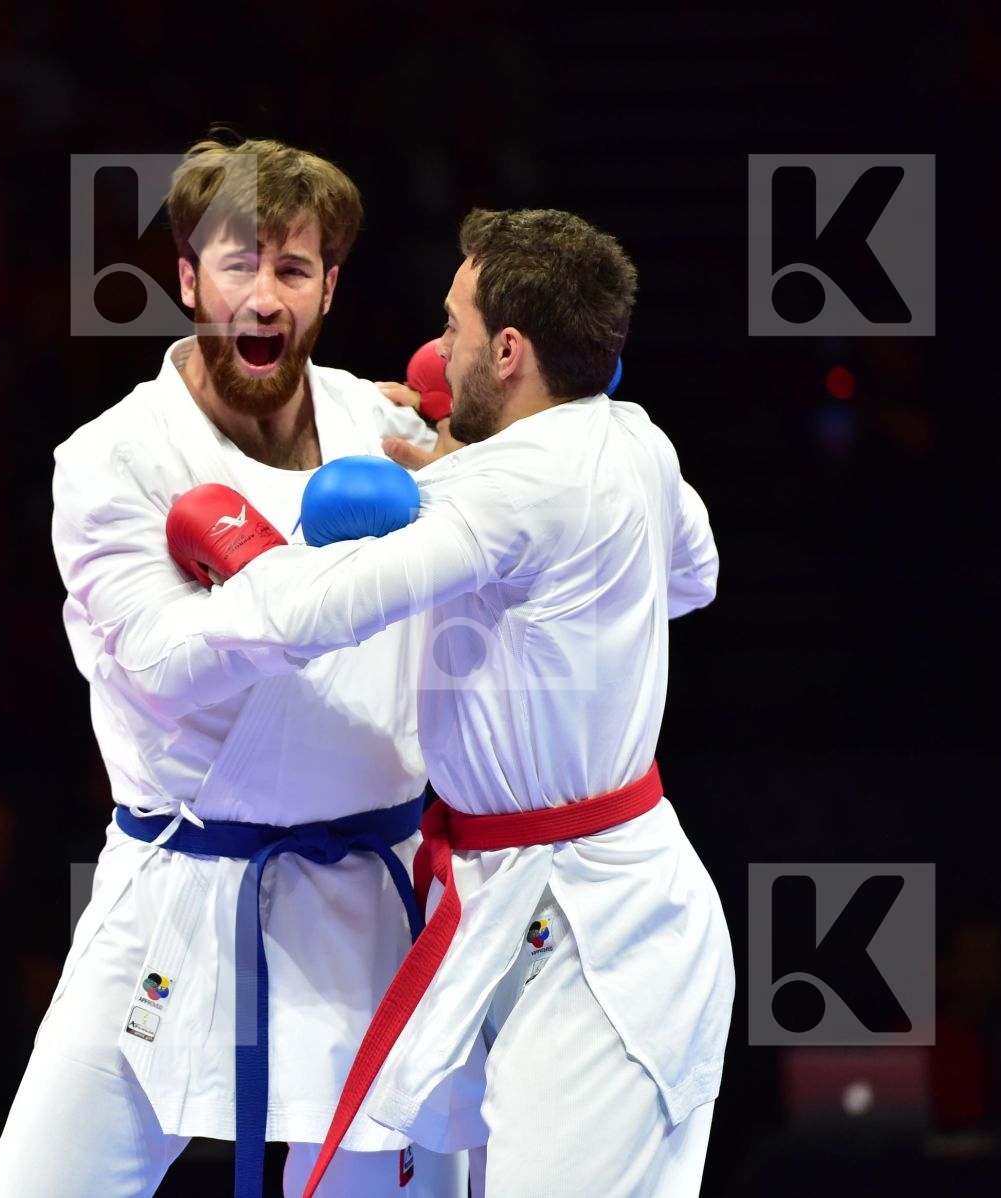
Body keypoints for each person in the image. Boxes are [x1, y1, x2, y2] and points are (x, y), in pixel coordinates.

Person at [124, 207, 733, 1197]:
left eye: (452, 324)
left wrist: (244, 556)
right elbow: (692, 579)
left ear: (508, 347)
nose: (434, 350)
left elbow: (332, 608)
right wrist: (495, 517)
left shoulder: (504, 492)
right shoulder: (634, 439)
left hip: (593, 932)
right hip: (508, 897)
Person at [0, 135, 464, 1198]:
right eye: (237, 264)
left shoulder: (382, 430)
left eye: (293, 268)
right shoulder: (114, 459)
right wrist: (310, 572)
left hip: (372, 907)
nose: (263, 293)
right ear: (189, 279)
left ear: (329, 287)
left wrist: (481, 458)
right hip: (179, 886)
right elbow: (160, 661)